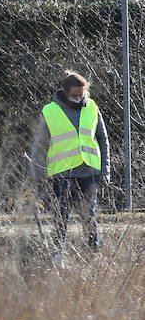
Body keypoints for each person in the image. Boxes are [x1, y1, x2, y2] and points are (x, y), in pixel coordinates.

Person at [30, 69, 109, 255]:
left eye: (81, 94)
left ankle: (93, 252)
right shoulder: (49, 111)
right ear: (65, 93)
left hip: (89, 170)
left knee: (89, 214)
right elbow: (39, 144)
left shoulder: (92, 107)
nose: (78, 98)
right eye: (74, 95)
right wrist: (36, 173)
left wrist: (105, 170)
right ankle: (58, 254)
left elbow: (102, 139)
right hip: (63, 172)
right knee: (61, 215)